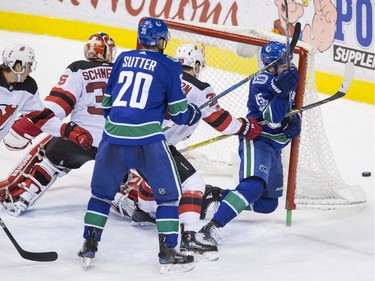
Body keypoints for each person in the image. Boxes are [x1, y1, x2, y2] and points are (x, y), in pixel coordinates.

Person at [111, 43, 262, 261]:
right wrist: (244, 126)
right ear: (197, 64)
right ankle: (189, 236)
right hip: (154, 143)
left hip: (126, 137)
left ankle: (142, 210)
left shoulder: (158, 74)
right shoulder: (201, 89)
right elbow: (221, 122)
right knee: (193, 185)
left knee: (155, 173)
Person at [77, 18, 203, 274]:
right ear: (160, 41)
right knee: (168, 197)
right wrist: (191, 113)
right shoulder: (169, 65)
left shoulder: (122, 58)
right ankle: (168, 253)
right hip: (147, 142)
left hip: (111, 138)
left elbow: (107, 106)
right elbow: (179, 113)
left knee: (101, 194)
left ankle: (89, 245)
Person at [0, 33, 116, 216]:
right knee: (128, 168)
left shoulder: (78, 69)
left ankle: (23, 196)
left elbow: (56, 105)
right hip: (115, 141)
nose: (30, 70)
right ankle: (133, 198)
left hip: (81, 138)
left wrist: (25, 128)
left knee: (51, 159)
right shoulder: (124, 72)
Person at [198, 41, 301, 245]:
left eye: (289, 62)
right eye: (283, 64)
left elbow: (293, 108)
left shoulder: (289, 76)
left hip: (275, 146)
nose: (288, 67)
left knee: (267, 204)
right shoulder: (260, 82)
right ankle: (210, 229)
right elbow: (272, 118)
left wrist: (294, 122)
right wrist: (281, 93)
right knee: (253, 187)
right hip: (258, 141)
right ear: (270, 66)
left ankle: (218, 195)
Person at [0, 42, 92, 149]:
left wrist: (67, 130)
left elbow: (41, 118)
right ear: (18, 66)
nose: (30, 70)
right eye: (29, 65)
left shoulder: (28, 87)